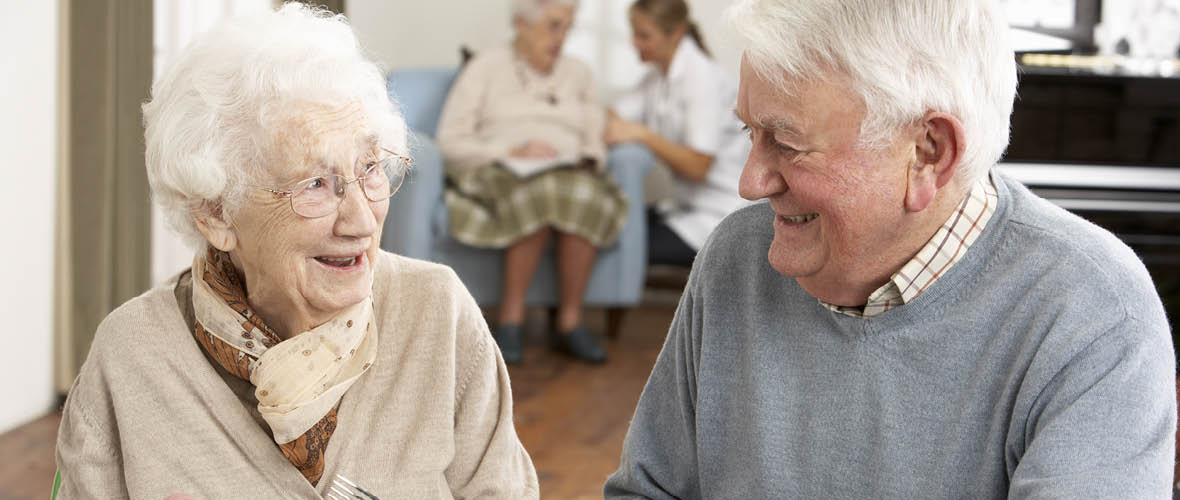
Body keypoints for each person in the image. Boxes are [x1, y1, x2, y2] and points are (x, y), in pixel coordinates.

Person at [606, 0, 1176, 498]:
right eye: (748, 133)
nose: (751, 183)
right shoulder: (737, 254)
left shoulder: (1096, 315)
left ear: (929, 151)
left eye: (785, 142)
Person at [54, 4, 538, 498]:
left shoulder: (437, 316)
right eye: (315, 184)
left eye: (370, 168)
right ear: (216, 214)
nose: (362, 220)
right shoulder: (131, 358)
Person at [437, 0, 626, 364]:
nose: (562, 38)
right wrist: (511, 149)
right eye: (554, 26)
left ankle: (569, 323)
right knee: (541, 191)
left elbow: (593, 139)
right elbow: (451, 141)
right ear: (522, 24)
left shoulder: (579, 73)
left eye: (568, 28)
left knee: (580, 192)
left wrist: (584, 158)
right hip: (501, 170)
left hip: (568, 173)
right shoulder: (484, 68)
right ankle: (511, 319)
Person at [604, 0, 749, 267]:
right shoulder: (657, 78)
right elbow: (613, 116)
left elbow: (698, 166)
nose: (635, 42)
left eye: (644, 35)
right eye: (634, 33)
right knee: (607, 224)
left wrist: (642, 135)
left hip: (719, 213)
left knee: (621, 243)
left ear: (676, 32)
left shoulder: (700, 77)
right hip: (685, 208)